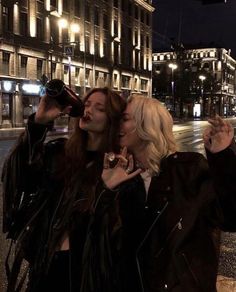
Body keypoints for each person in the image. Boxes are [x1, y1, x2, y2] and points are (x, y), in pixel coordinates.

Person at [101, 95, 236, 292]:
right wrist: (105, 189)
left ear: (147, 123)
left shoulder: (188, 169)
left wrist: (223, 157)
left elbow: (230, 217)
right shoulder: (124, 178)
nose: (118, 125)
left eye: (125, 118)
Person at [2, 84, 126, 292]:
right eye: (86, 105)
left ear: (112, 119)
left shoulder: (116, 167)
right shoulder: (60, 153)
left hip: (87, 272)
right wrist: (39, 124)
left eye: (99, 108)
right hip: (47, 261)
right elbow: (21, 180)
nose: (88, 111)